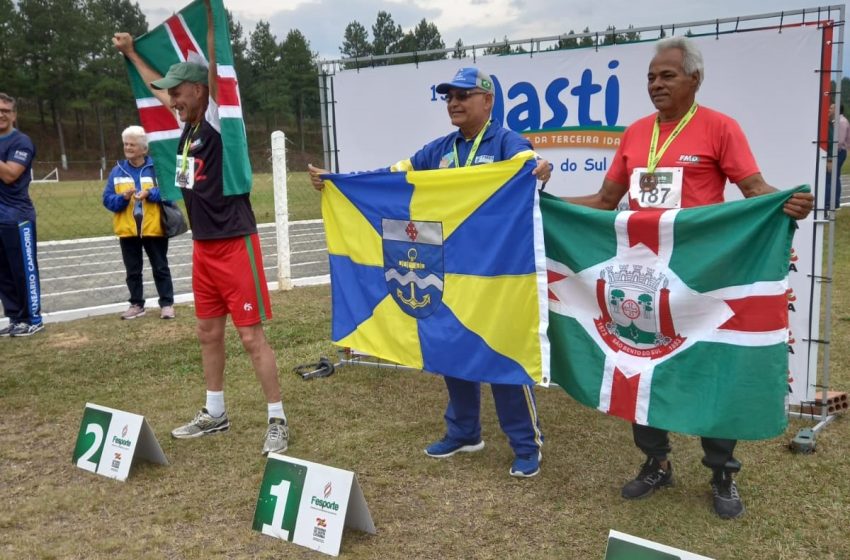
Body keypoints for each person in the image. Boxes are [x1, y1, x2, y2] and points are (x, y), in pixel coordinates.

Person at [563, 37, 813, 519]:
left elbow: (755, 190)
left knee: (710, 369)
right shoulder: (635, 133)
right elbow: (603, 200)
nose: (656, 84)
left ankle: (722, 472)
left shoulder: (720, 127)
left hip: (702, 277)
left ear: (694, 79)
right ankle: (656, 463)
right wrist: (544, 204)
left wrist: (786, 202)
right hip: (640, 279)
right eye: (651, 77)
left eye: (667, 76)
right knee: (638, 363)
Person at [308, 67, 552, 478]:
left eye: (464, 95)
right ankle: (464, 432)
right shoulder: (438, 150)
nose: (454, 103)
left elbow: (531, 167)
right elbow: (390, 176)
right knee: (451, 347)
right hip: (444, 267)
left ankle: (526, 445)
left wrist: (541, 168)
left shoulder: (507, 143)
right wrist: (339, 182)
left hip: (492, 272)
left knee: (501, 352)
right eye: (449, 96)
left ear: (488, 101)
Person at [113, 0, 289, 455]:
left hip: (235, 243)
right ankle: (216, 412)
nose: (171, 100)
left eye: (178, 92)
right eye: (170, 95)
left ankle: (277, 419)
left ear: (198, 90)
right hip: (204, 247)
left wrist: (212, 15)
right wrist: (132, 53)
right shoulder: (185, 128)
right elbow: (155, 87)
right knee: (208, 332)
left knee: (251, 335)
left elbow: (214, 62)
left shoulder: (215, 117)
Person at [102, 126, 175, 320]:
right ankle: (136, 304)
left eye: (132, 144)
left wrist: (150, 193)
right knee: (132, 270)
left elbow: (170, 192)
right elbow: (107, 199)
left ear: (144, 149)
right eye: (126, 144)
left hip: (154, 227)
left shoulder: (157, 168)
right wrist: (123, 198)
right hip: (128, 230)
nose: (128, 147)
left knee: (160, 267)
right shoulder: (117, 170)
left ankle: (166, 304)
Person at [0, 92, 43, 337]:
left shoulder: (21, 142)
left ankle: (34, 318)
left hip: (17, 218)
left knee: (23, 270)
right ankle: (16, 317)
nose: (1, 114)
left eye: (5, 110)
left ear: (14, 115)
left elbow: (10, 174)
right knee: (3, 273)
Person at [825, 102, 849, 209]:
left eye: (831, 108)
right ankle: (833, 202)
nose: (829, 109)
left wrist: (831, 155)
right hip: (837, 152)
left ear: (837, 110)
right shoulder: (836, 121)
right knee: (833, 177)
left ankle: (831, 202)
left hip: (838, 152)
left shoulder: (842, 122)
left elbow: (839, 141)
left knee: (831, 177)